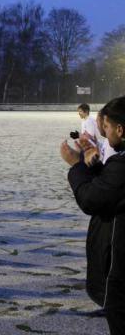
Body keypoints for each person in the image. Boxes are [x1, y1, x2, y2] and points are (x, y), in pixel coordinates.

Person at [61, 96, 125, 334]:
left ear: (120, 128)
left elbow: (92, 199)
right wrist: (92, 164)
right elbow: (112, 186)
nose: (106, 134)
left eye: (107, 128)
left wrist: (76, 165)